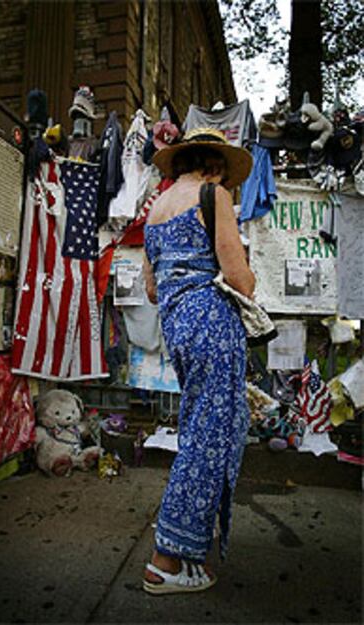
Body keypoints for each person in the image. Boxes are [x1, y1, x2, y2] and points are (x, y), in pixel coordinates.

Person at [142, 127, 255, 595]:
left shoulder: (155, 210)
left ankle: (186, 541)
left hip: (177, 328)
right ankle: (166, 559)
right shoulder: (215, 196)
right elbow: (239, 280)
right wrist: (248, 272)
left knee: (197, 431)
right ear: (215, 166)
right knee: (208, 440)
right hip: (213, 324)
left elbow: (151, 289)